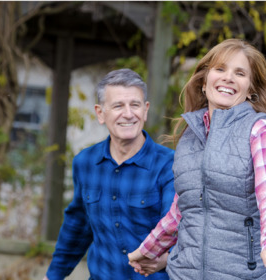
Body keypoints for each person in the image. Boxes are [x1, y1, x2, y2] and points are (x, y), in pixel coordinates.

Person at [128, 39, 266, 279]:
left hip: (247, 273)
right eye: (220, 69)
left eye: (240, 73)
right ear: (204, 81)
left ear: (250, 89)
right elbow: (182, 209)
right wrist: (149, 250)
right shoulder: (190, 136)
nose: (228, 78)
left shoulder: (260, 130)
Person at [43, 69, 175, 280]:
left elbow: (177, 233)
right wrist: (52, 276)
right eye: (118, 106)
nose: (129, 114)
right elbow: (77, 227)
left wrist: (167, 259)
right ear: (100, 113)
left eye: (135, 105)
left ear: (146, 109)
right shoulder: (85, 163)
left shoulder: (170, 165)